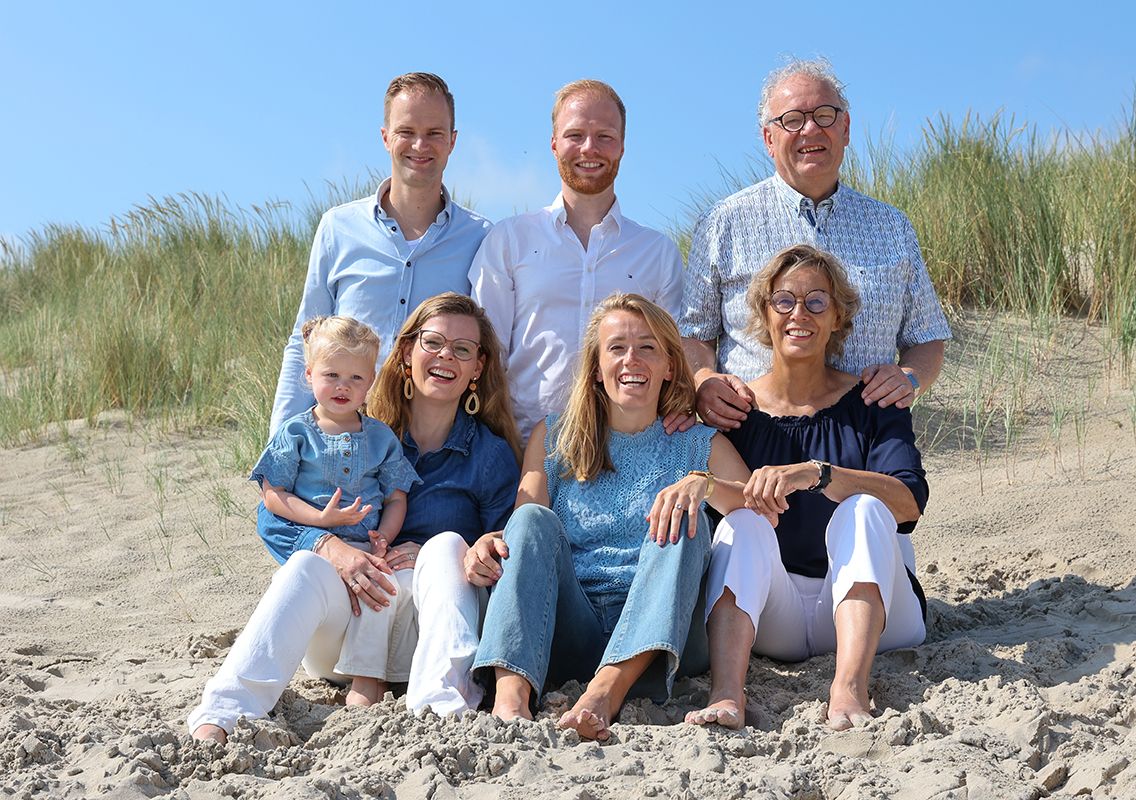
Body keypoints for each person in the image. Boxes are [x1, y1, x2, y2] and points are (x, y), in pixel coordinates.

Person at [190, 293, 521, 742]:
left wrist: (460, 550)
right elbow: (270, 516)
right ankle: (226, 710)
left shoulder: (488, 454)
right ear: (407, 353)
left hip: (427, 638)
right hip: (342, 636)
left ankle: (441, 708)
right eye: (432, 342)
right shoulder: (358, 431)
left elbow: (509, 548)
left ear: (477, 368)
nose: (446, 356)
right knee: (307, 563)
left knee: (445, 545)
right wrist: (335, 549)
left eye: (462, 349)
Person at [467, 293, 760, 743]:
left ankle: (606, 692)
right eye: (617, 348)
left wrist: (705, 485)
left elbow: (761, 515)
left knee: (681, 513)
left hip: (664, 640)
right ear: (596, 366)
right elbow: (524, 528)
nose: (631, 360)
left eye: (647, 347)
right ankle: (511, 700)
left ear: (668, 365)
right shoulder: (555, 435)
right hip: (572, 630)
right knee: (530, 521)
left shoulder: (698, 442)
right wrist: (492, 540)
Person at [685, 245, 929, 732]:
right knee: (742, 522)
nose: (800, 314)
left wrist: (818, 474)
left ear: (838, 317)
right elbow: (724, 497)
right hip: (779, 617)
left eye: (817, 302)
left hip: (882, 617)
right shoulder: (736, 411)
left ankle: (849, 689)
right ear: (764, 313)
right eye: (784, 301)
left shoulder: (873, 399)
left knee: (863, 508)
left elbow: (908, 504)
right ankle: (728, 693)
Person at [678, 58, 951, 433]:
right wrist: (703, 379)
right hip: (752, 445)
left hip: (866, 442)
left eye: (824, 115)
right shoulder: (722, 223)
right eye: (792, 120)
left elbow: (926, 337)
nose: (810, 129)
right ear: (768, 139)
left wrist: (910, 377)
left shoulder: (892, 227)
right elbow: (694, 334)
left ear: (846, 127)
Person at [270, 72, 491, 435]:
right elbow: (304, 341)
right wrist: (280, 439)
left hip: (433, 443)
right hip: (343, 434)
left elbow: (484, 352)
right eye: (406, 131)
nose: (420, 145)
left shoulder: (481, 239)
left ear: (452, 142)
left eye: (435, 133)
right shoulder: (337, 227)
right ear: (386, 137)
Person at [470, 79, 683, 441]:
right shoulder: (509, 240)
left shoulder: (657, 253)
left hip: (626, 454)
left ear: (622, 147)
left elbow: (672, 362)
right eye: (575, 135)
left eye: (605, 136)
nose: (589, 148)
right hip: (521, 450)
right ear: (554, 144)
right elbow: (488, 354)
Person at [252, 315, 421, 707]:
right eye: (331, 375)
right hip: (317, 550)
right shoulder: (296, 433)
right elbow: (272, 495)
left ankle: (368, 679)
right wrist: (321, 521)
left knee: (381, 587)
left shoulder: (381, 438)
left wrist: (386, 538)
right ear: (309, 375)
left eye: (356, 378)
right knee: (310, 583)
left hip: (366, 543)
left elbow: (397, 497)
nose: (343, 387)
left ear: (371, 382)